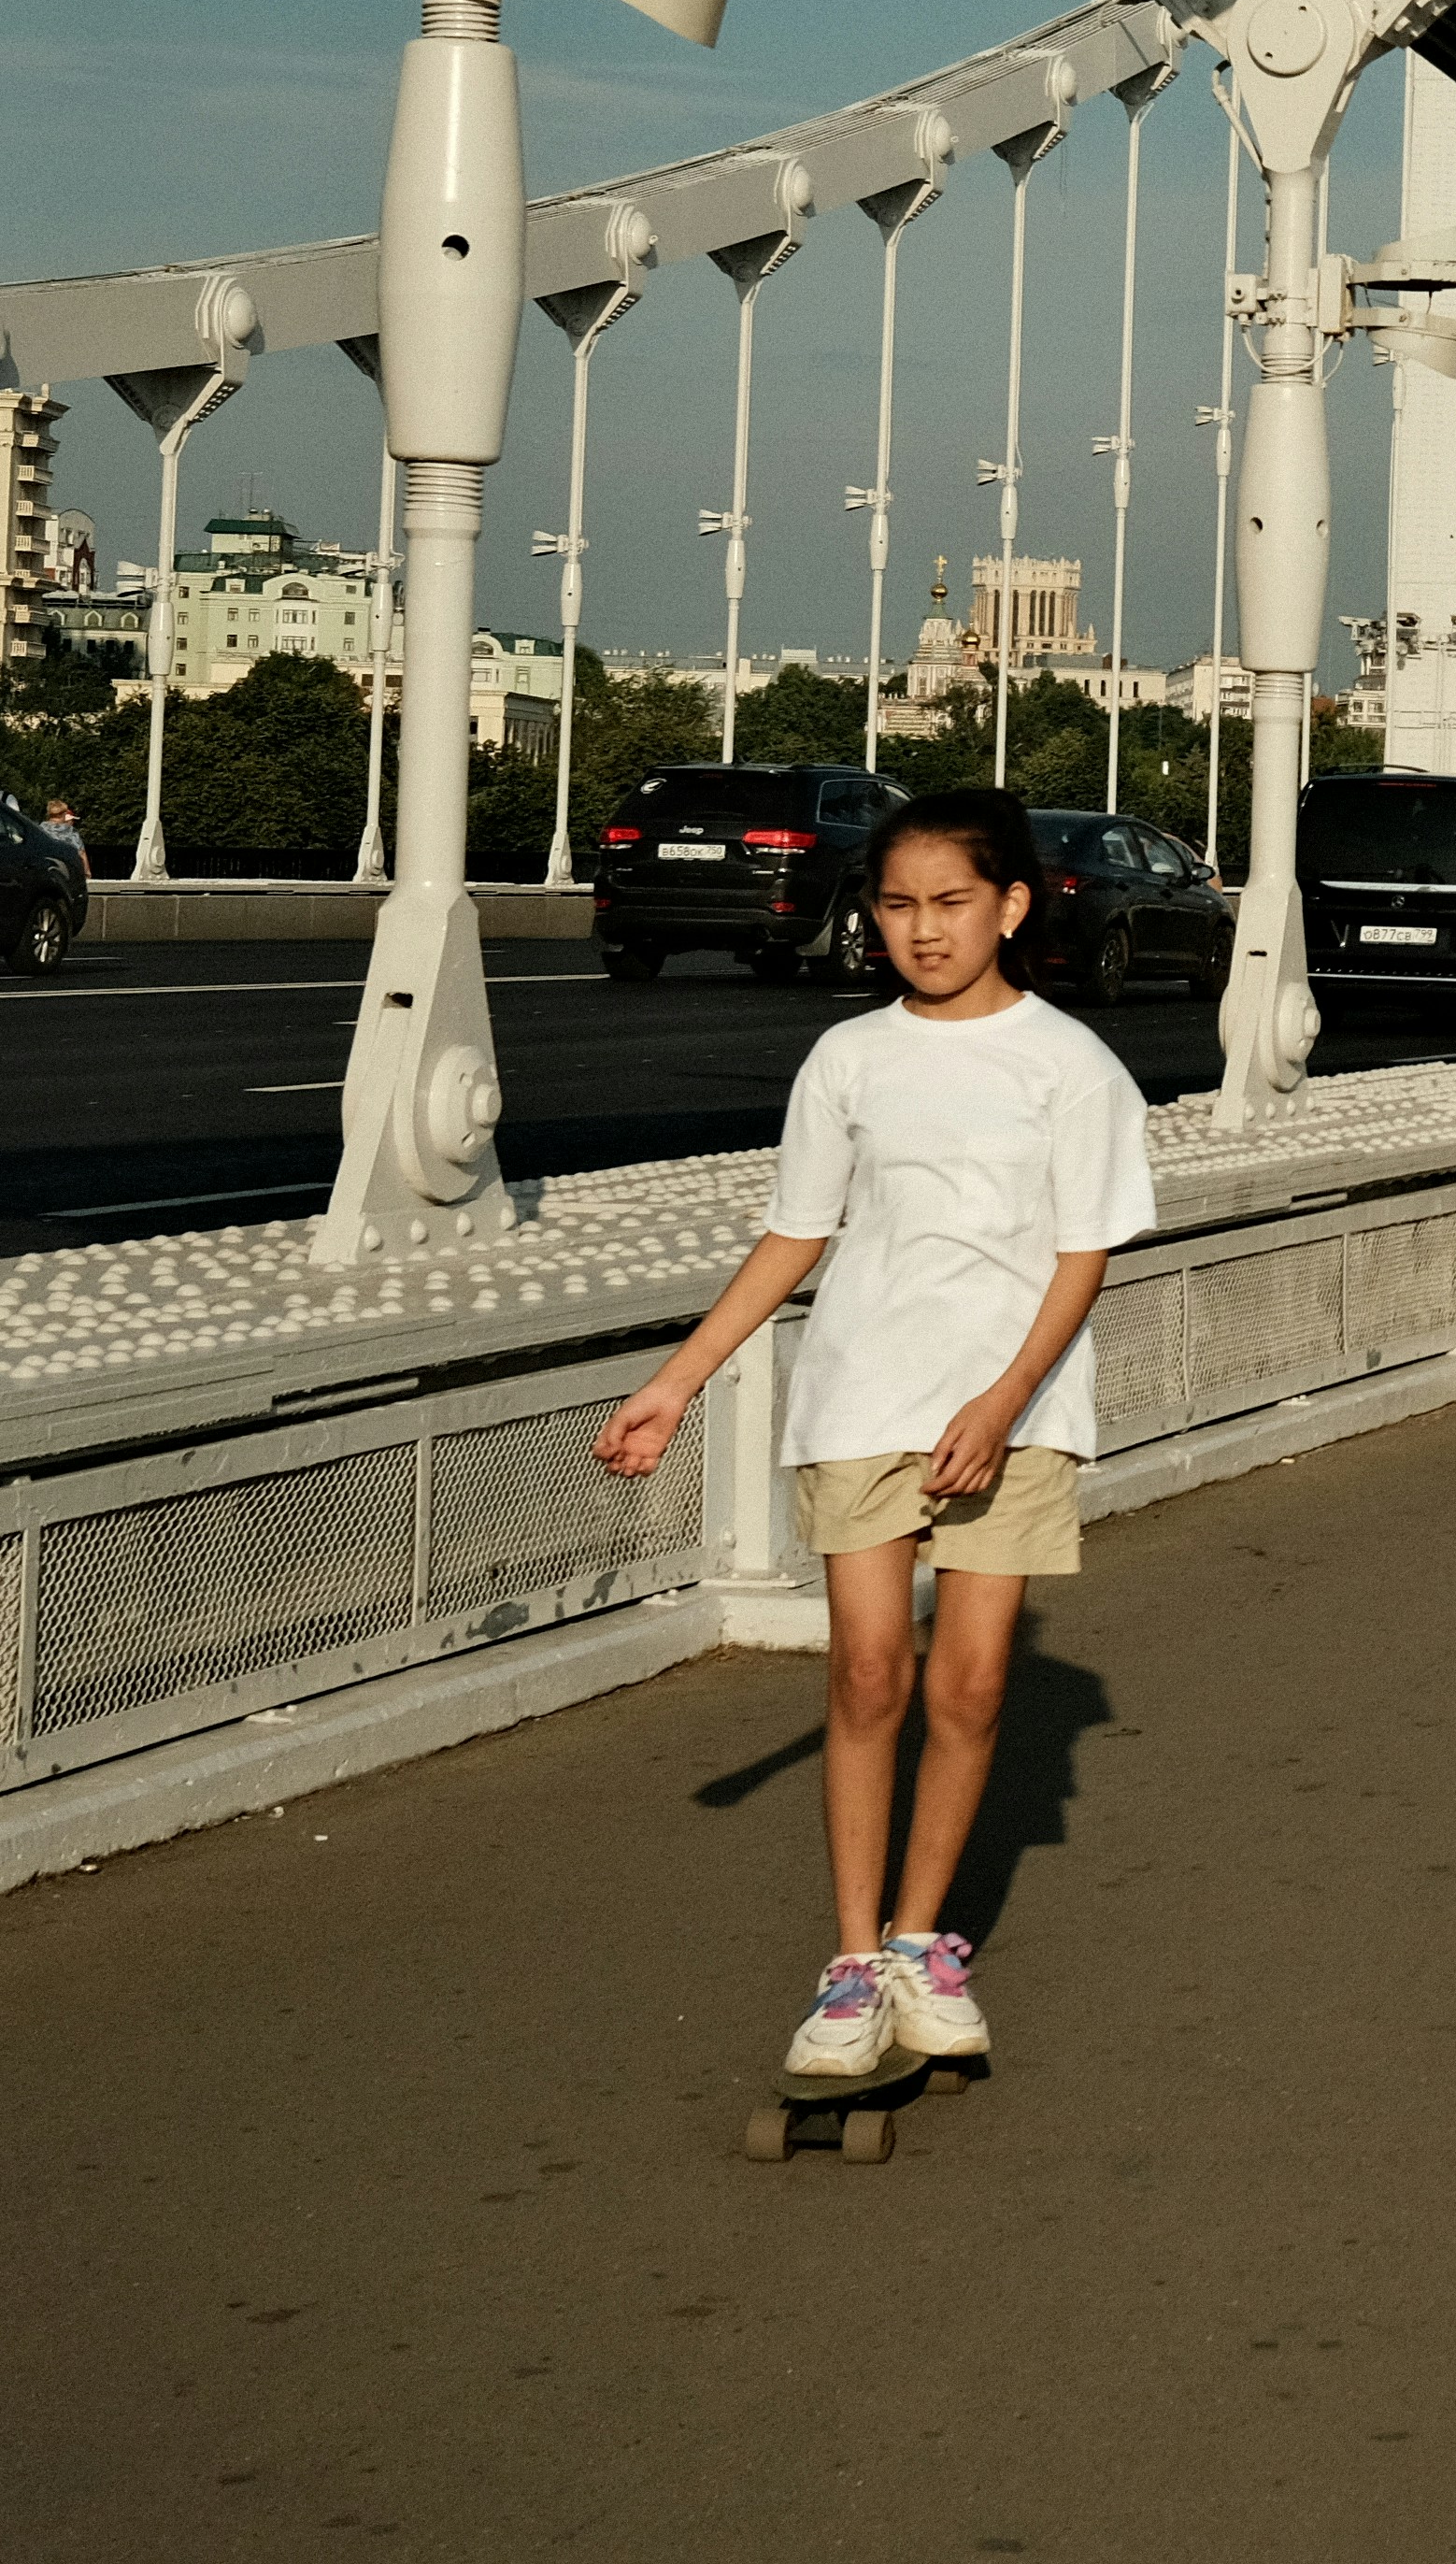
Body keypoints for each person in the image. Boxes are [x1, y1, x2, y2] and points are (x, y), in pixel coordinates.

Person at [591, 786, 1149, 2089]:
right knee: (864, 1677)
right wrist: (677, 1382)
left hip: (1010, 1414)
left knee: (968, 1688)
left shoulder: (1072, 1067)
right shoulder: (848, 1060)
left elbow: (1083, 1258)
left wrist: (1003, 1402)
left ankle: (919, 1946)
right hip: (861, 1397)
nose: (925, 931)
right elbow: (798, 1233)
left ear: (1012, 905)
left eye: (953, 903)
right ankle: (851, 1966)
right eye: (898, 906)